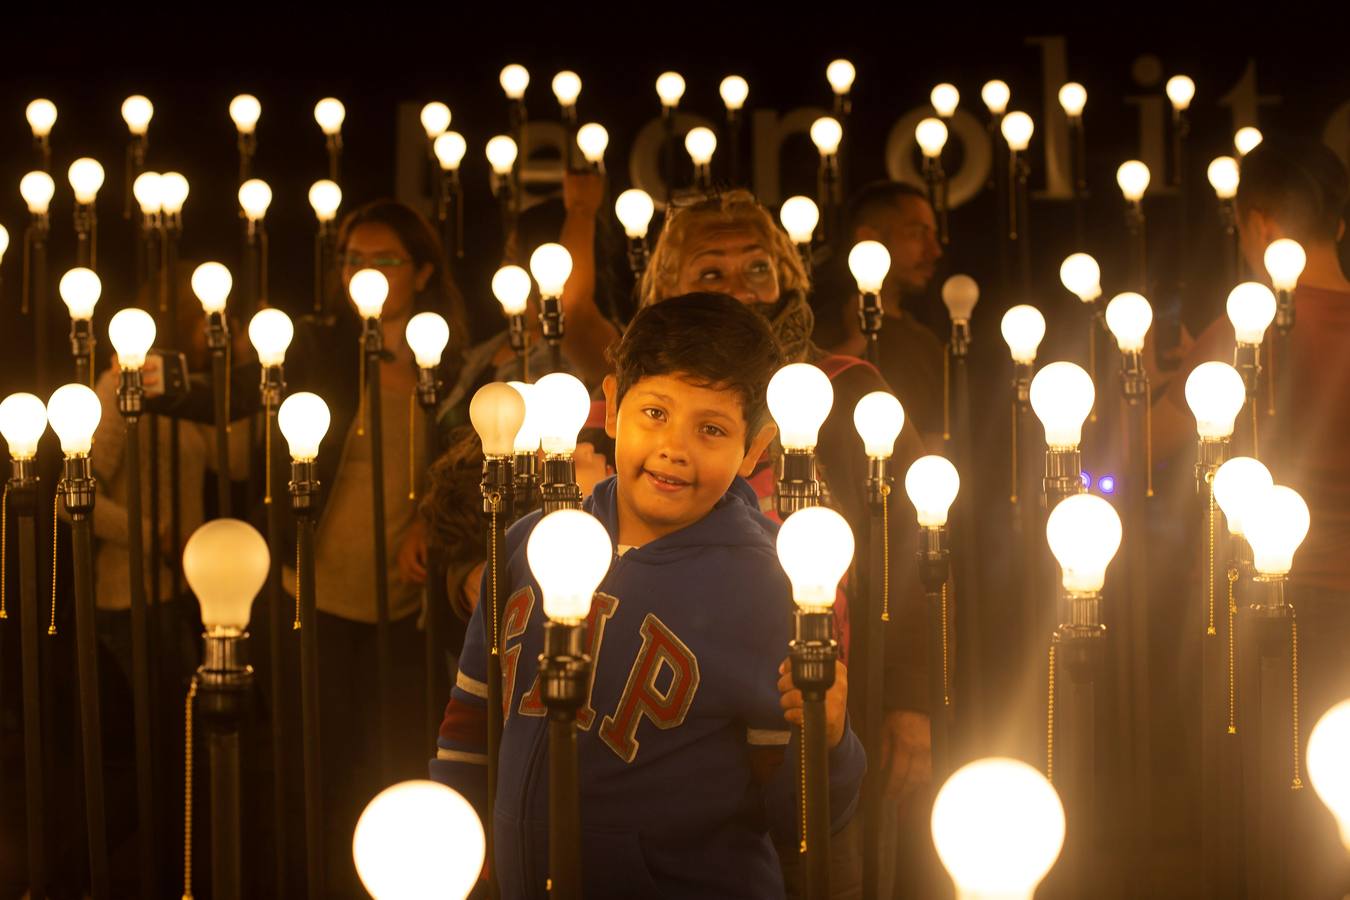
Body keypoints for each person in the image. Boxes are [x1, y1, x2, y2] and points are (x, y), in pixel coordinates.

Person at [432, 294, 864, 898]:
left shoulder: (770, 586)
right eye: (654, 413)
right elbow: (469, 725)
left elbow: (797, 820)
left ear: (758, 445)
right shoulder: (530, 544)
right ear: (611, 408)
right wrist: (456, 857)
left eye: (710, 428)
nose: (674, 447)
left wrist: (829, 737)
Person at [557, 189, 934, 851]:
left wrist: (912, 694)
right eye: (711, 271)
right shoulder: (622, 411)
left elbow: (913, 548)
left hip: (822, 708)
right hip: (659, 721)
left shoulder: (846, 389)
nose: (739, 286)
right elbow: (559, 528)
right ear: (667, 287)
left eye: (757, 267)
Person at [1149, 137, 1350, 895]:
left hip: (1262, 622)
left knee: (1266, 826)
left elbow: (1138, 451)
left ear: (1259, 224)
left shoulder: (1241, 338)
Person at [817, 181, 947, 449]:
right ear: (868, 239)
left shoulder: (925, 343)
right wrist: (854, 344)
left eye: (933, 235)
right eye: (917, 234)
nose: (934, 251)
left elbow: (934, 443)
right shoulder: (817, 326)